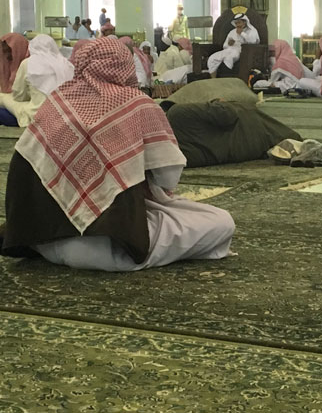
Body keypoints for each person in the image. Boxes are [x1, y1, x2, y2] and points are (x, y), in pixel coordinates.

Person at [0, 37, 235, 271]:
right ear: (125, 65)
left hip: (42, 242)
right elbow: (168, 178)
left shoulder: (56, 102)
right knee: (221, 222)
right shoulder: (137, 104)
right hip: (110, 251)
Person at [162, 99, 302, 168]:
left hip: (249, 152)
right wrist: (219, 101)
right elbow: (227, 114)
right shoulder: (177, 114)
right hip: (252, 130)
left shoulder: (174, 158)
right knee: (293, 139)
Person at [0, 34, 74, 127]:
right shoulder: (67, 64)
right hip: (65, 114)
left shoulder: (28, 63)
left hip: (37, 115)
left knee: (2, 99)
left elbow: (19, 96)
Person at [207, 13, 260, 78]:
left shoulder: (252, 31)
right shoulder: (232, 32)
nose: (238, 25)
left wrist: (242, 33)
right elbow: (225, 45)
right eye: (236, 23)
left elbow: (253, 41)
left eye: (239, 23)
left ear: (245, 22)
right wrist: (229, 44)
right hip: (229, 50)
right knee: (213, 58)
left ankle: (227, 77)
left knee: (229, 58)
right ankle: (213, 79)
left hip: (242, 52)